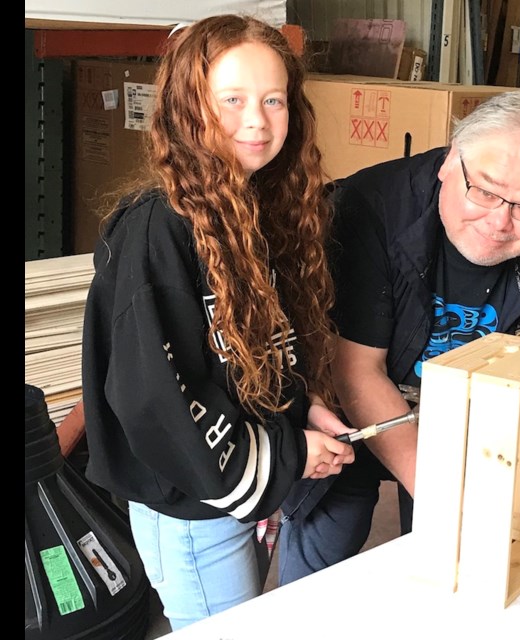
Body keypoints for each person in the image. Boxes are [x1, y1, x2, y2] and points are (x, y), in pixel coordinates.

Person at [278, 90, 520, 585]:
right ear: (449, 161)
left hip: (475, 436)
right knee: (319, 575)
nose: (499, 223)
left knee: (454, 579)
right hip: (348, 423)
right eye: (484, 190)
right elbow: (355, 371)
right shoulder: (368, 209)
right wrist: (446, 500)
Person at [80, 15, 355, 630]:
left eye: (273, 99)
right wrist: (288, 455)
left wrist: (301, 407)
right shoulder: (158, 229)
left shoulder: (254, 210)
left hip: (233, 496)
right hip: (192, 510)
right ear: (187, 108)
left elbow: (253, 352)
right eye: (231, 100)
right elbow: (156, 398)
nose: (256, 120)